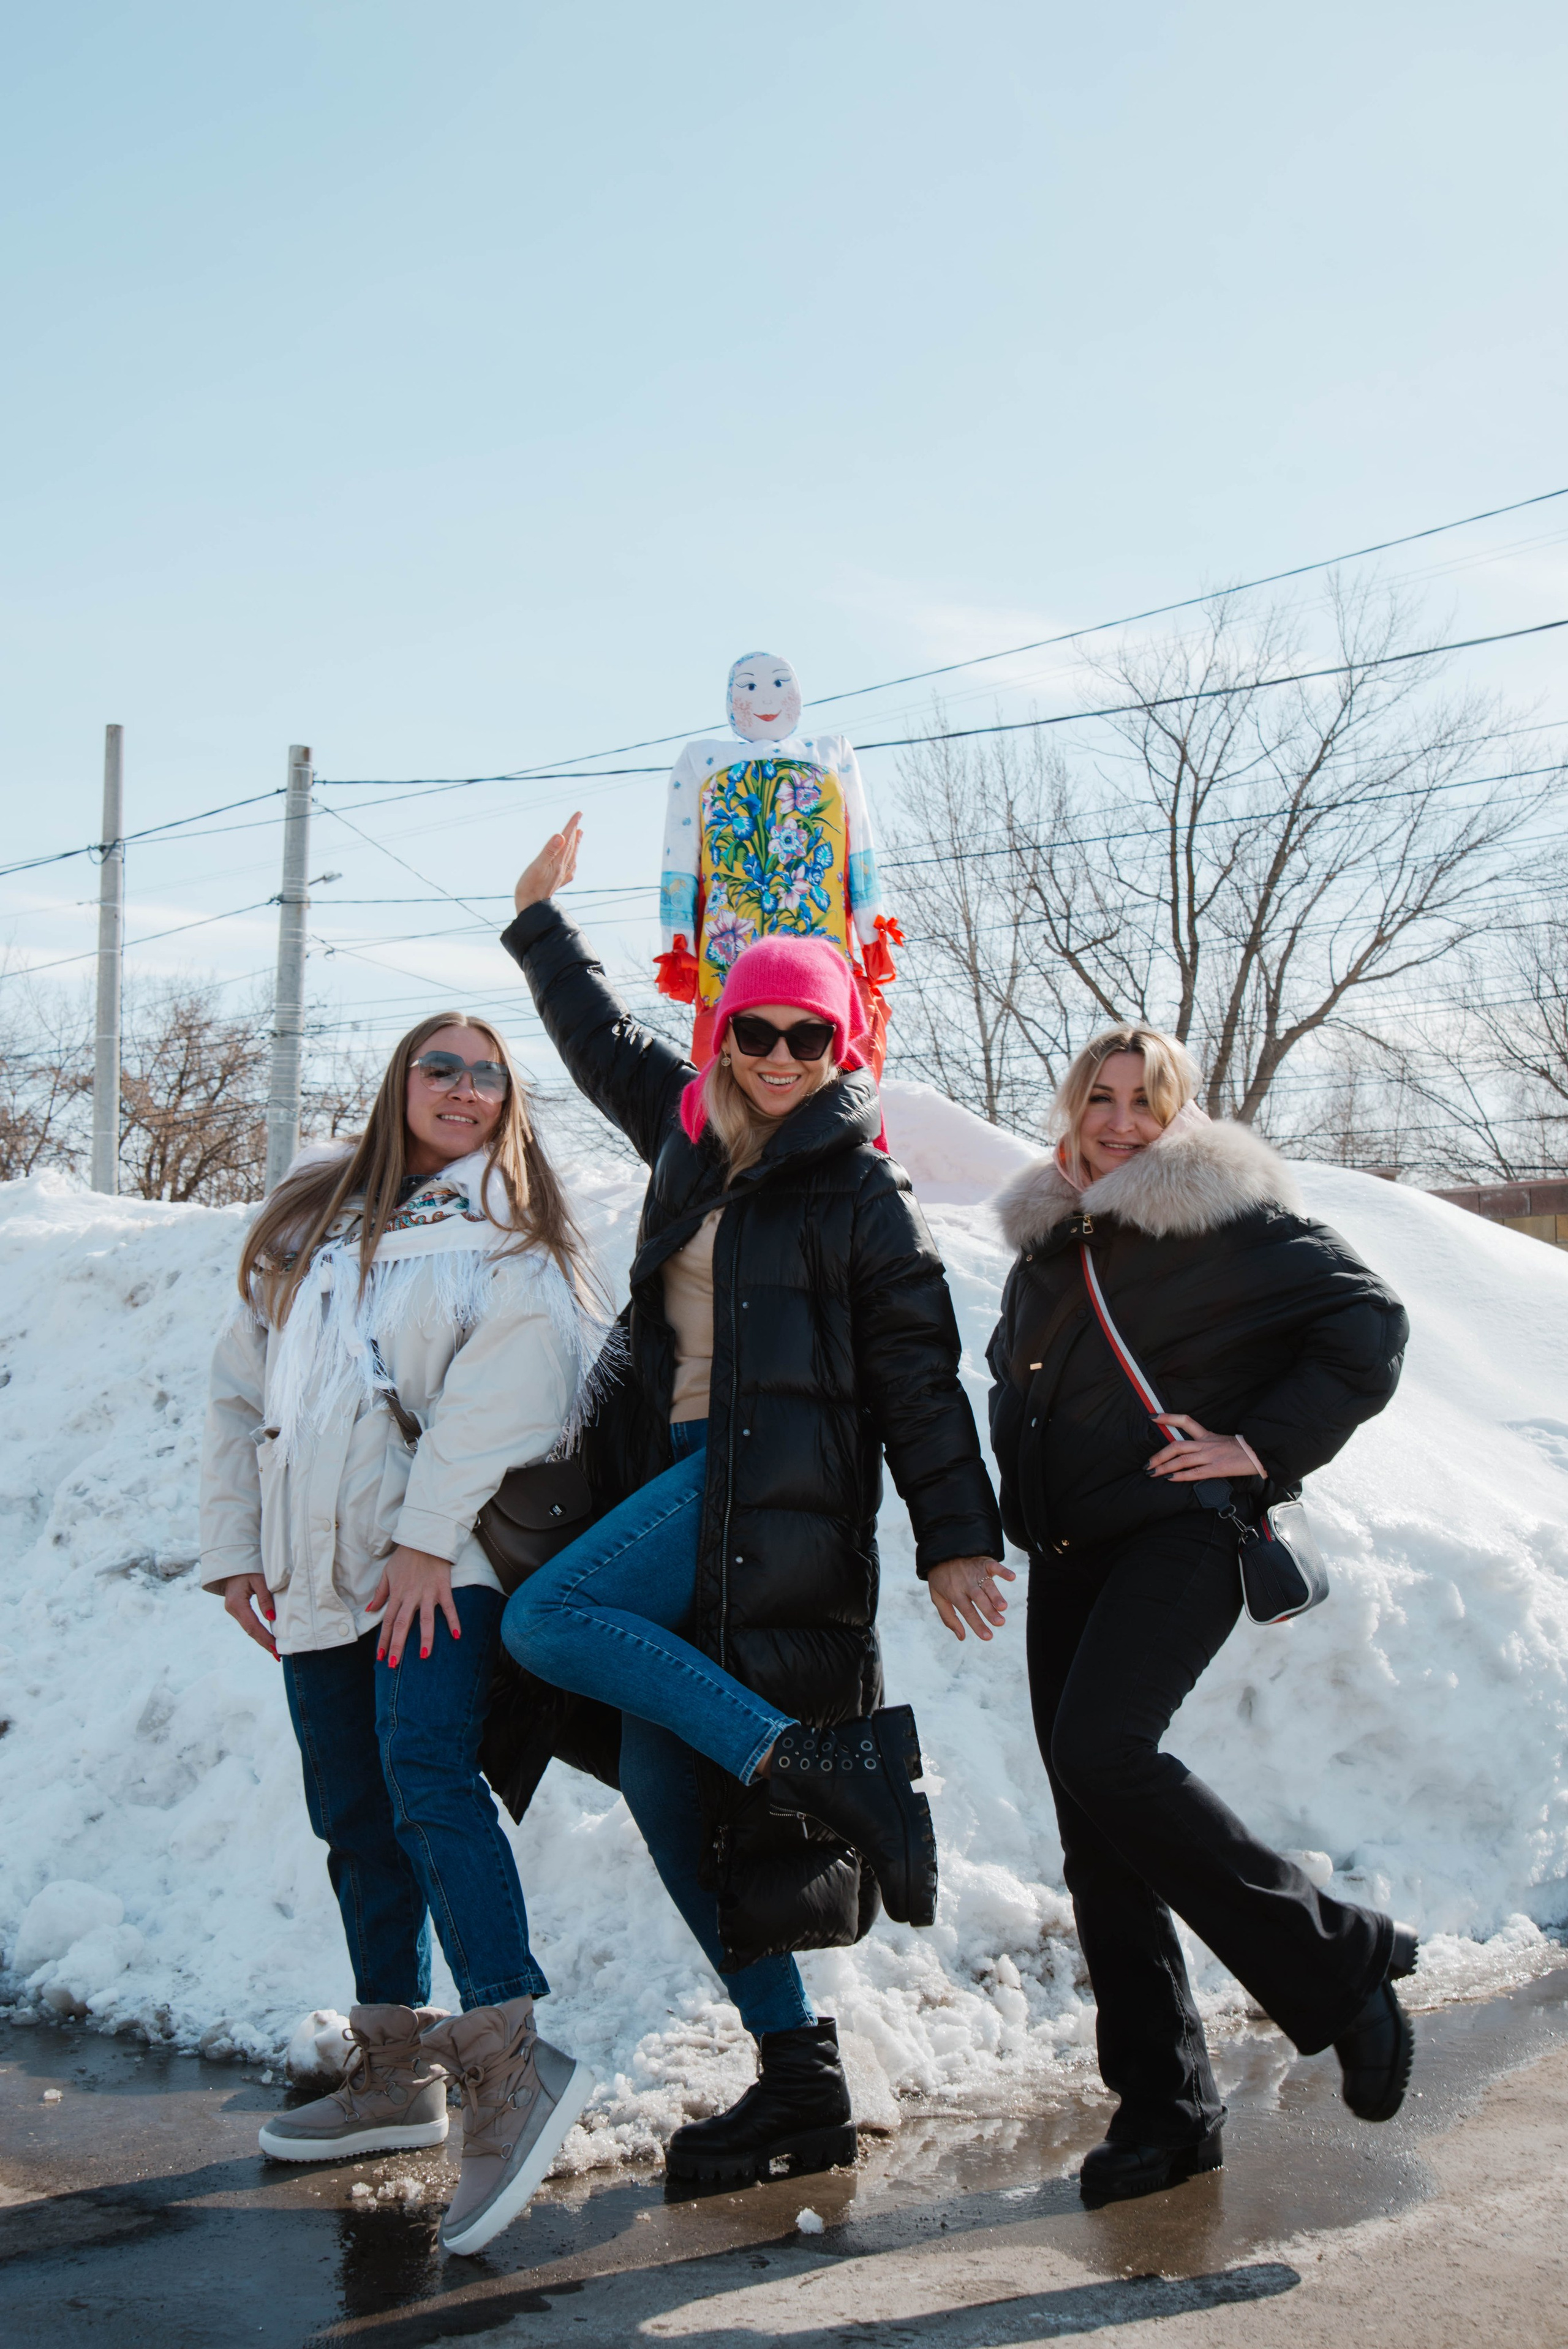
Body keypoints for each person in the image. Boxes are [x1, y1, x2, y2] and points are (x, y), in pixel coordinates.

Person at [497, 811, 1004, 2186]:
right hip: (669, 1482)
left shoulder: (863, 1196)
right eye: (756, 1032)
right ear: (723, 1036)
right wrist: (541, 924)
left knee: (546, 1623)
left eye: (808, 1038)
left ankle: (815, 1764)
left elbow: (919, 1381)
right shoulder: (690, 1142)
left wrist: (955, 1536)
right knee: (670, 1797)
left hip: (765, 1498)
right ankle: (800, 2082)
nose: (779, 1058)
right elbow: (600, 1043)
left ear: (844, 1050)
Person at [982, 1024, 1414, 2205]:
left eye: (1146, 1102)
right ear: (1071, 1108)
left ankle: (1339, 1962)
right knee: (1095, 1828)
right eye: (1100, 1097)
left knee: (1103, 1750)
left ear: (1182, 1119)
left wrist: (1259, 1447)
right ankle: (1165, 2112)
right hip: (1072, 1548)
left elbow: (1368, 1328)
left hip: (1182, 1535)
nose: (1120, 1121)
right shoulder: (1050, 1239)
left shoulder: (1229, 1218)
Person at [198, 1012, 601, 2257]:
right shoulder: (309, 1223)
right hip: (319, 1578)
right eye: (443, 1066)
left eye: (489, 1075)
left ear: (508, 1102)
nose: (465, 1090)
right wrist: (233, 1548)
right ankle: (390, 2071)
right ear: (399, 1084)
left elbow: (511, 1396)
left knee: (427, 1778)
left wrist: (428, 1538)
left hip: (442, 1566)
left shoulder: (514, 1234)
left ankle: (505, 2056)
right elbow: (235, 1385)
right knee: (353, 1815)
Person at [654, 650, 901, 1073]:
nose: (766, 697)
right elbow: (679, 860)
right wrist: (678, 945)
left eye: (780, 684)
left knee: (815, 1048)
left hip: (819, 940)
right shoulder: (701, 761)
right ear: (733, 697)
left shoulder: (832, 754)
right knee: (739, 1056)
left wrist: (871, 930)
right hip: (731, 945)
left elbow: (859, 847)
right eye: (749, 686)